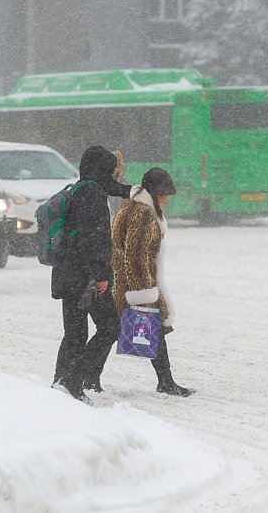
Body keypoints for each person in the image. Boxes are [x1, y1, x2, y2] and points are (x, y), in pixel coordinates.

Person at [96, 167, 195, 396]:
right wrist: (143, 292)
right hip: (136, 282)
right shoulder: (142, 213)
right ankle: (165, 382)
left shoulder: (135, 207)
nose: (166, 200)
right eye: (164, 195)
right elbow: (136, 254)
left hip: (131, 281)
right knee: (141, 329)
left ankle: (91, 376)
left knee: (115, 331)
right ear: (154, 193)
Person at [52, 146, 131, 402]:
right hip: (86, 277)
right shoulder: (93, 194)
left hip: (67, 272)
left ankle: (61, 385)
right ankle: (72, 381)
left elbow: (110, 186)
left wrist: (133, 192)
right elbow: (95, 238)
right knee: (110, 327)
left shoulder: (79, 188)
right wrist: (101, 274)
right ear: (102, 169)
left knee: (74, 334)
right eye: (109, 170)